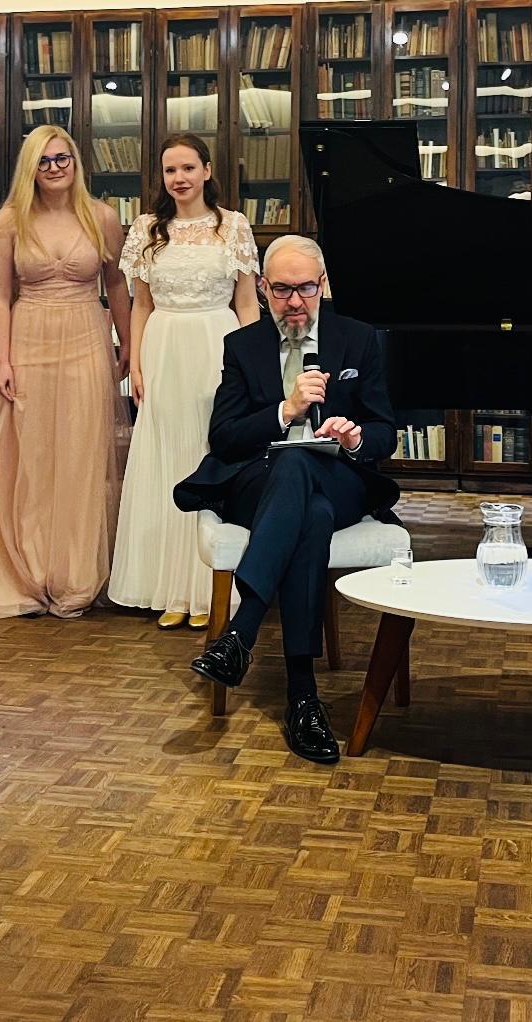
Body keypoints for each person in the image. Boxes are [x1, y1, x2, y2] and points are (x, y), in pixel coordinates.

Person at [172, 234, 399, 764]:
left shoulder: (358, 339)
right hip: (262, 479)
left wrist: (354, 438)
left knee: (309, 481)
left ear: (323, 285)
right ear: (262, 288)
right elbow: (224, 437)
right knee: (309, 509)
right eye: (281, 290)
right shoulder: (242, 345)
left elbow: (385, 430)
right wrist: (284, 411)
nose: (294, 302)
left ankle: (240, 634)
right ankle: (302, 697)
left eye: (305, 289)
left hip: (339, 476)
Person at [0, 125, 131, 620]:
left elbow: (116, 284)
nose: (55, 168)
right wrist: (4, 359)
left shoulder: (102, 217)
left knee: (83, 456)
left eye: (62, 158)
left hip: (86, 339)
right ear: (31, 169)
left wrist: (128, 343)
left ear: (75, 162)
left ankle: (76, 576)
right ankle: (34, 571)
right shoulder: (10, 220)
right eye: (44, 161)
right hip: (30, 340)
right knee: (34, 460)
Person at [108, 134, 261, 628]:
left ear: (207, 171)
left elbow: (246, 304)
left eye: (188, 168)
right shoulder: (146, 229)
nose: (179, 178)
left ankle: (209, 586)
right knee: (165, 457)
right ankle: (169, 588)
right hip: (164, 347)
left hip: (218, 343)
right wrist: (135, 364)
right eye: (170, 170)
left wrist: (256, 365)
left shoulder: (232, 226)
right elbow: (141, 305)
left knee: (210, 451)